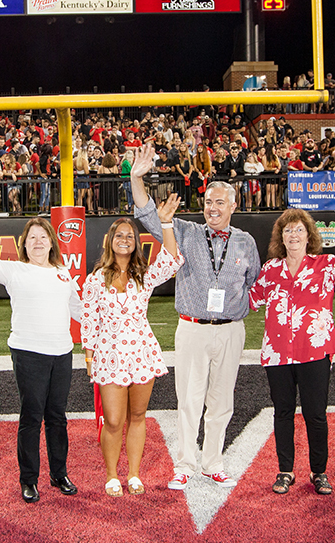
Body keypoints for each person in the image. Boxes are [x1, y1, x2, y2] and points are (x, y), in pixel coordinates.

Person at [130, 147, 261, 490]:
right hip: (192, 327)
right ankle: (186, 463)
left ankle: (213, 462)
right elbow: (146, 215)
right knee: (188, 400)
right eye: (209, 202)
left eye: (220, 203)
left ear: (233, 206)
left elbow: (252, 282)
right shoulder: (185, 232)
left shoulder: (246, 242)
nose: (213, 208)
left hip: (231, 330)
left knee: (222, 402)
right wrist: (136, 177)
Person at [0, 210, 81, 503]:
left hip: (62, 353)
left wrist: (108, 319)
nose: (38, 242)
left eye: (43, 236)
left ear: (52, 242)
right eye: (32, 238)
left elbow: (78, 310)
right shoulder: (14, 270)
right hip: (29, 354)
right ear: (24, 245)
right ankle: (29, 479)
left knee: (58, 417)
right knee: (32, 417)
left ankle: (59, 473)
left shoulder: (63, 273)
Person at [249, 209, 335, 495]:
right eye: (288, 230)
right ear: (281, 236)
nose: (293, 235)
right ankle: (285, 471)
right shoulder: (270, 269)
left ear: (309, 236)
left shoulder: (325, 265)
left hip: (315, 351)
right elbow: (250, 300)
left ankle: (319, 472)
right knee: (282, 412)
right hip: (278, 354)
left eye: (299, 230)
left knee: (315, 414)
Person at [81, 197, 183, 497]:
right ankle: (112, 475)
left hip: (141, 352)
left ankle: (134, 474)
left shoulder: (143, 275)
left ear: (135, 243)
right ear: (109, 241)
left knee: (138, 416)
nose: (124, 239)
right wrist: (90, 359)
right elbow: (89, 321)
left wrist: (165, 222)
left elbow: (172, 260)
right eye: (119, 235)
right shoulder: (96, 279)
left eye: (130, 235)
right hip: (109, 355)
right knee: (113, 420)